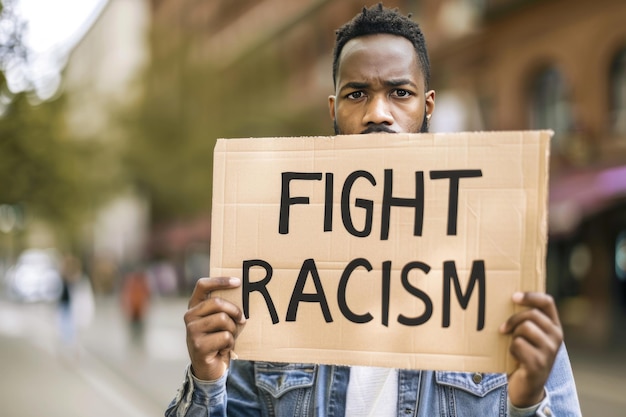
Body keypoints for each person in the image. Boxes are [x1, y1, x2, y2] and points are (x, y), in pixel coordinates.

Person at [166, 4, 581, 416]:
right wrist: (207, 381)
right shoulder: (273, 276)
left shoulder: (500, 276)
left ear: (428, 106)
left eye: (400, 93)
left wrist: (527, 405)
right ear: (333, 109)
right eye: (357, 94)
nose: (378, 113)